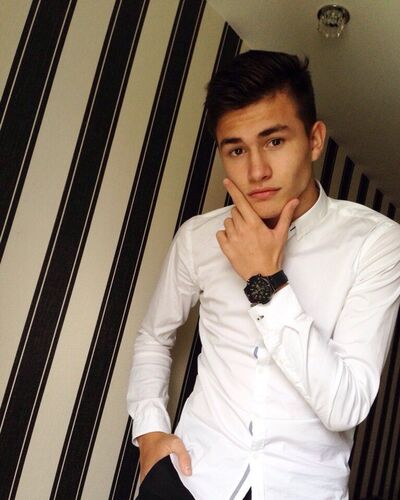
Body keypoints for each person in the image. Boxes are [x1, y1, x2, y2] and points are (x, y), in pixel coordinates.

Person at [127, 50, 400, 500]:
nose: (256, 171)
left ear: (314, 140)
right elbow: (154, 336)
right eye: (237, 149)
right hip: (192, 478)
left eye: (274, 141)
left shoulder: (376, 242)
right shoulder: (197, 238)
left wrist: (266, 281)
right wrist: (150, 431)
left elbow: (346, 406)